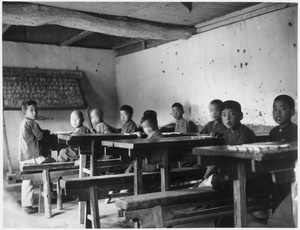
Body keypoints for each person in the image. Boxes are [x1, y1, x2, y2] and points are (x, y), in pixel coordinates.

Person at [19, 100, 56, 214]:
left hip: (25, 159)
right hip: (35, 158)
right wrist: (48, 134)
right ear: (25, 112)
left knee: (27, 179)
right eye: (31, 110)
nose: (34, 112)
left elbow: (36, 134)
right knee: (54, 162)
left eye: (36, 109)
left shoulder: (23, 123)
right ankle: (50, 193)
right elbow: (40, 136)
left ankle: (26, 205)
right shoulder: (32, 123)